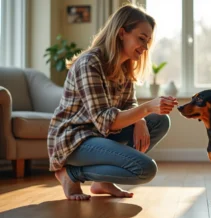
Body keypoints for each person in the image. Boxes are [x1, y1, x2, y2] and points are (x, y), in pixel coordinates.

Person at [47, 4, 178, 200]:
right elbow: (104, 120)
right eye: (141, 39)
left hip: (100, 135)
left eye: (148, 42)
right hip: (74, 139)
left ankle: (102, 182)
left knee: (159, 121)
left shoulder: (125, 67)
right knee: (145, 169)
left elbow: (129, 104)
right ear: (121, 33)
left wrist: (141, 119)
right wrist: (148, 107)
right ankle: (71, 174)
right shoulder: (90, 63)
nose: (144, 47)